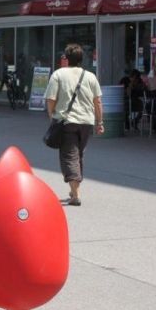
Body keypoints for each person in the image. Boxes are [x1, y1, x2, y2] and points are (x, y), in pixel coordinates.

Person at [44, 43, 103, 206]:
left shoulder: (58, 75)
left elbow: (51, 100)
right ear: (81, 59)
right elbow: (97, 101)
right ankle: (74, 188)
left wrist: (52, 116)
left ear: (66, 59)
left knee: (70, 156)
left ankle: (75, 194)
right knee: (78, 154)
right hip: (86, 122)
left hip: (67, 121)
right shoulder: (90, 76)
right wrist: (100, 121)